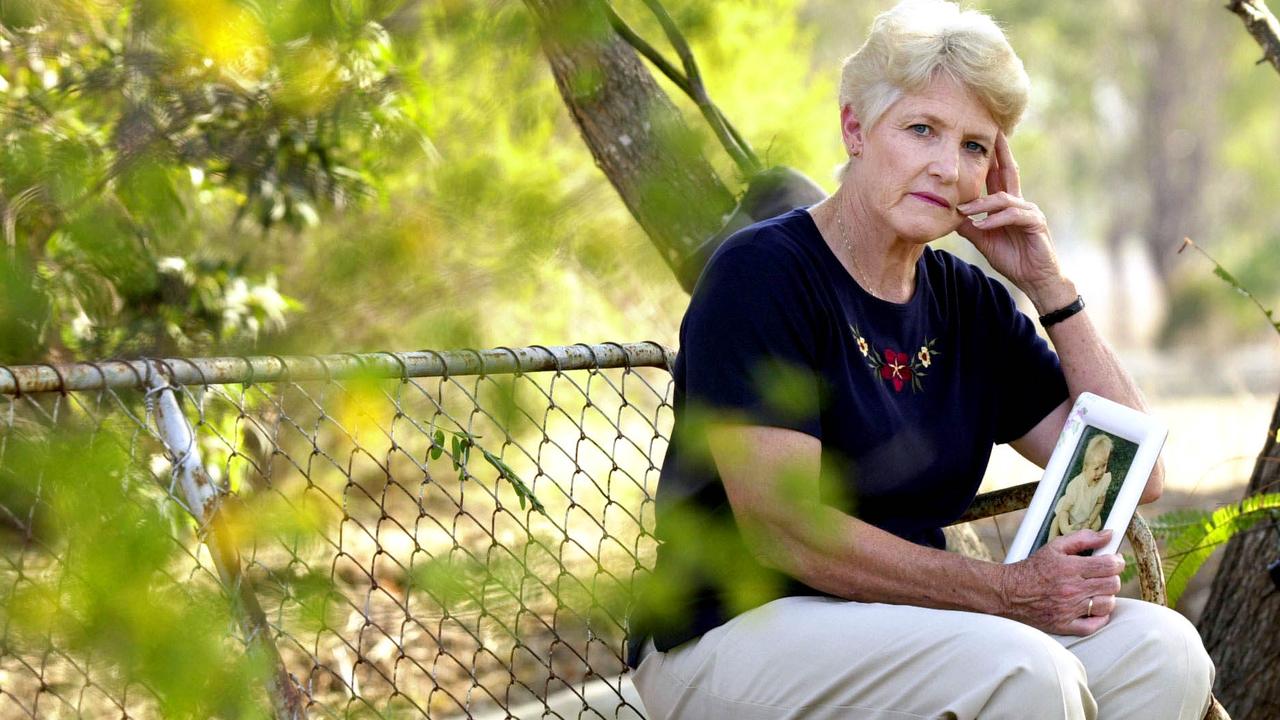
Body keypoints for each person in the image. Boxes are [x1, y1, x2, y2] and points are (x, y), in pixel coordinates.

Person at [625, 1, 1215, 718]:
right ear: (855, 130)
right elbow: (783, 528)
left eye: (974, 146)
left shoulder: (968, 303)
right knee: (1021, 670)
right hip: (731, 635)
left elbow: (1139, 473)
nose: (947, 167)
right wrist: (1006, 593)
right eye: (922, 130)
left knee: (1163, 650)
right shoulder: (763, 274)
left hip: (911, 625)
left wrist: (1048, 284)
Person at [1048, 434, 1115, 541]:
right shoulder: (1076, 485)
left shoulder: (1103, 481)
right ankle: (1052, 544)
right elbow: (1065, 510)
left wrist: (1089, 522)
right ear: (1085, 467)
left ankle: (1081, 541)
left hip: (1087, 514)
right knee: (1056, 521)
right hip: (1070, 513)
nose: (1101, 472)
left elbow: (1099, 503)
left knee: (1097, 523)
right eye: (1096, 468)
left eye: (1104, 465)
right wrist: (1065, 529)